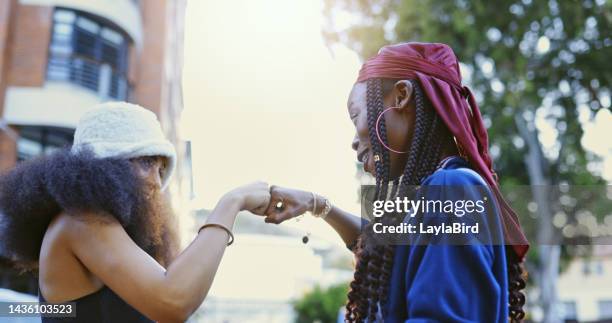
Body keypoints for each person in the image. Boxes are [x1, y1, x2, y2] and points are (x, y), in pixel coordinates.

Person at [262, 42, 529, 322]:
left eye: (357, 116)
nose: (354, 141)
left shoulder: (450, 189)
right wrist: (316, 205)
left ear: (401, 95)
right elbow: (385, 246)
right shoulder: (445, 190)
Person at [0, 102, 271, 322]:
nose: (156, 180)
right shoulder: (80, 222)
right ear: (101, 167)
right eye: (146, 161)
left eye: (161, 168)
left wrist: (313, 203)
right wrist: (231, 203)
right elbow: (173, 301)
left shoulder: (110, 235)